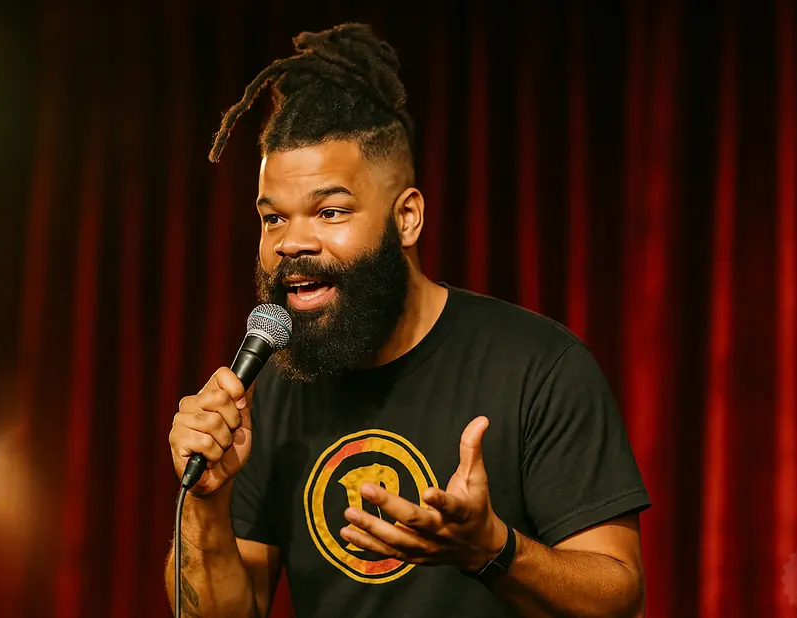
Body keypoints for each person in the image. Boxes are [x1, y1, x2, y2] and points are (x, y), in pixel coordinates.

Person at [166, 23, 650, 618]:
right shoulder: (269, 394)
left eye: (330, 210)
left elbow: (620, 599)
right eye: (272, 219)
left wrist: (490, 550)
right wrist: (208, 503)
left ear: (408, 218)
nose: (291, 242)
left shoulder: (539, 366)